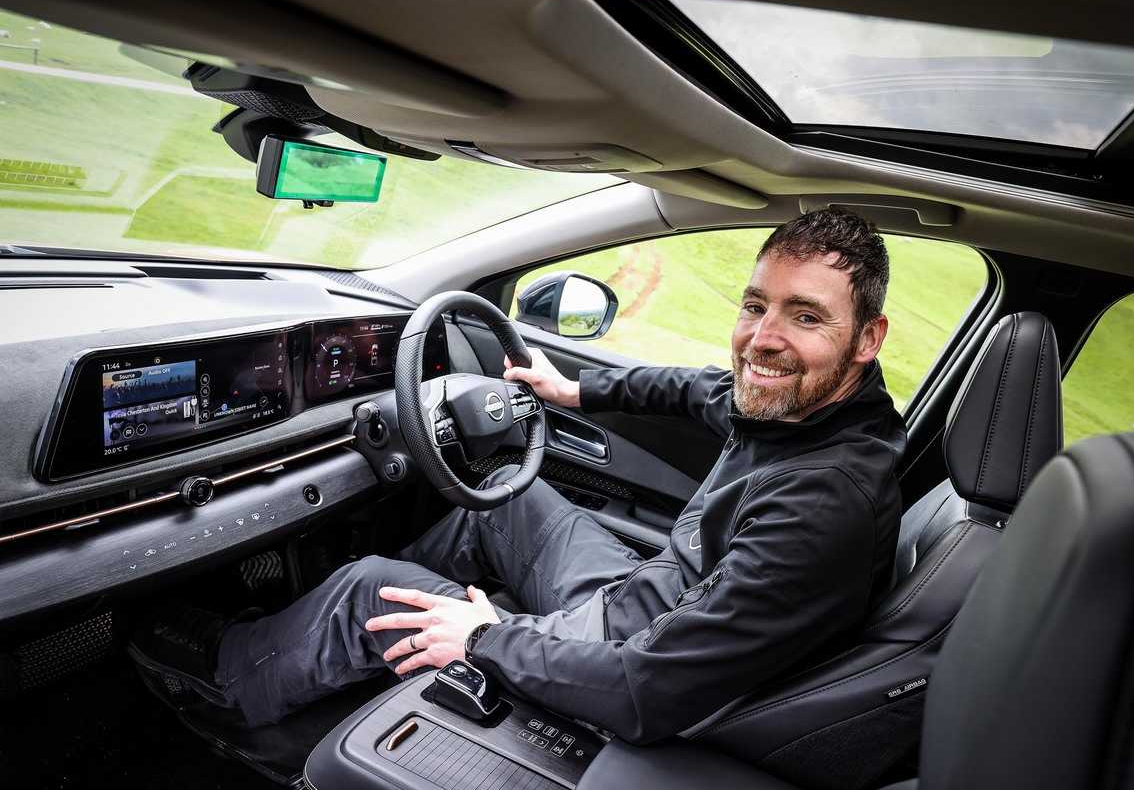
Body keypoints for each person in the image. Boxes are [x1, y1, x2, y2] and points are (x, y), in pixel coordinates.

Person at [133, 209, 906, 744]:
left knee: (373, 590)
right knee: (502, 500)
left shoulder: (822, 503)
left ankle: (228, 681)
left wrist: (485, 639)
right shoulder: (804, 410)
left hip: (631, 661)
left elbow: (648, 693)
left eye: (806, 316)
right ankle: (331, 645)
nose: (762, 339)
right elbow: (697, 388)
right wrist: (574, 390)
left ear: (867, 337)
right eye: (755, 306)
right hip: (649, 598)